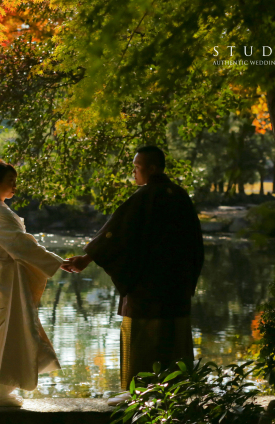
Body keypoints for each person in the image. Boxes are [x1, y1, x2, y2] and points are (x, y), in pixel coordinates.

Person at [65, 146, 204, 406]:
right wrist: (189, 279)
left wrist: (86, 259)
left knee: (143, 335)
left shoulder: (146, 196)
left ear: (151, 169)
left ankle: (139, 394)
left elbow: (116, 233)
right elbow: (196, 244)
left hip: (148, 284)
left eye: (137, 167)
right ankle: (176, 392)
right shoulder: (181, 195)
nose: (134, 172)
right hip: (177, 284)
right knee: (173, 334)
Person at [0, 159, 71, 407]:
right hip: (4, 284)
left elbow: (18, 246)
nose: (15, 187)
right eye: (11, 182)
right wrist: (58, 262)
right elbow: (23, 246)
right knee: (5, 332)